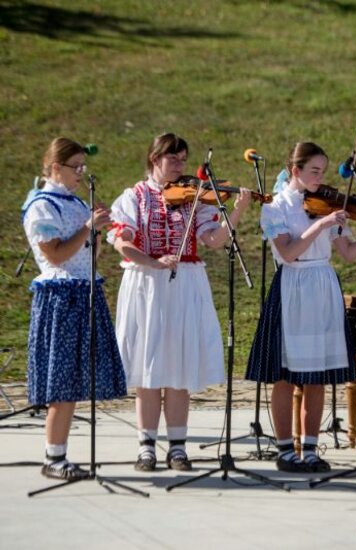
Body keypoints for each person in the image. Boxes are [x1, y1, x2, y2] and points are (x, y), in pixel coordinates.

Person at [245, 142, 356, 472]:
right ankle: (286, 449)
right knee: (283, 376)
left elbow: (349, 253)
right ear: (295, 171)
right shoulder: (276, 207)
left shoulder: (327, 205)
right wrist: (322, 225)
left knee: (317, 374)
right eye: (314, 171)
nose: (321, 178)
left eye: (323, 172)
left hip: (323, 284)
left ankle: (310, 448)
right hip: (292, 284)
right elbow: (288, 252)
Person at [108, 133, 252, 471]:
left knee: (178, 367)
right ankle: (146, 446)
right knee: (148, 367)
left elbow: (214, 240)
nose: (180, 166)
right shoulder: (134, 197)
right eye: (173, 159)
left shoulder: (194, 199)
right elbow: (121, 243)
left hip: (185, 283)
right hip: (146, 283)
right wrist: (152, 261)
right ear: (154, 158)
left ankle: (177, 446)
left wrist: (239, 210)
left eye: (184, 160)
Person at [22, 137, 127, 480]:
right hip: (61, 296)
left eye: (84, 166)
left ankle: (60, 454)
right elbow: (55, 255)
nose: (82, 172)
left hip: (84, 292)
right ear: (56, 168)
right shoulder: (42, 206)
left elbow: (88, 256)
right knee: (61, 383)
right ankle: (53, 458)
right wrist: (87, 228)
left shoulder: (77, 202)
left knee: (76, 382)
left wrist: (96, 235)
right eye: (75, 166)